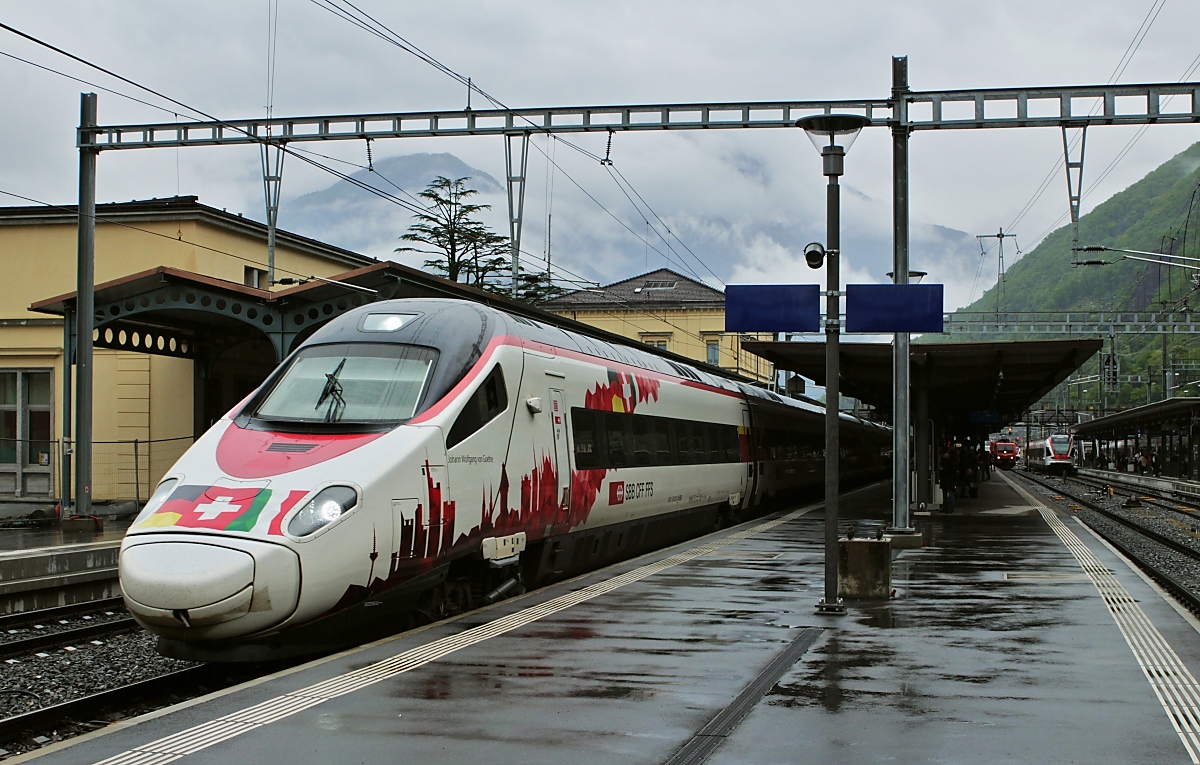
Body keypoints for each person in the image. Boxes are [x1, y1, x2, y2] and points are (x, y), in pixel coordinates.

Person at [940, 447, 958, 513]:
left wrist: (943, 470)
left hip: (948, 480)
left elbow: (950, 471)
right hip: (948, 480)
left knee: (950, 494)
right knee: (948, 494)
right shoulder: (951, 461)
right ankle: (948, 508)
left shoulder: (949, 462)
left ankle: (950, 508)